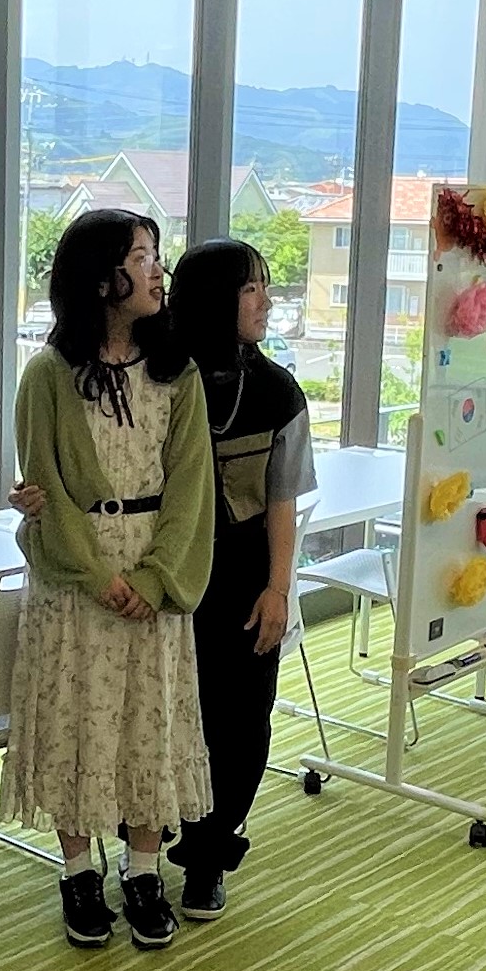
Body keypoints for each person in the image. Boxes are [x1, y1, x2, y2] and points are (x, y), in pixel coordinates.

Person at [1, 209, 215, 949]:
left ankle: (144, 868)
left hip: (156, 570)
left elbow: (192, 487)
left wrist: (153, 581)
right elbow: (47, 486)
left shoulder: (178, 372)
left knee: (148, 720)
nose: (158, 270)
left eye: (156, 255)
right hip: (74, 578)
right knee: (76, 719)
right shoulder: (48, 374)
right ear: (101, 280)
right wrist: (97, 576)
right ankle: (78, 871)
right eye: (142, 256)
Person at [160, 237, 315, 920]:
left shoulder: (278, 391)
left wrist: (279, 589)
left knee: (242, 722)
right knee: (163, 715)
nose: (266, 301)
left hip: (247, 575)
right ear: (213, 297)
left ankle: (208, 856)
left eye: (265, 286)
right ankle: (144, 846)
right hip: (168, 575)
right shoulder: (158, 378)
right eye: (252, 288)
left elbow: (282, 501)